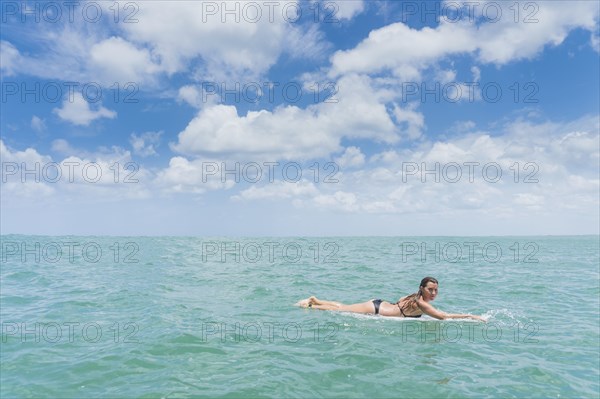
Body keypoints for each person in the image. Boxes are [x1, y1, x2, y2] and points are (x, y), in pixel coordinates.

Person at [296, 276, 486, 321]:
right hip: (376, 309)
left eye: (436, 290)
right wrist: (471, 316)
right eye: (431, 290)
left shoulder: (414, 296)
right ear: (423, 289)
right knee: (341, 310)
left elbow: (400, 300)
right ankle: (310, 306)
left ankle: (317, 300)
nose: (434, 293)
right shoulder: (421, 303)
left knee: (345, 306)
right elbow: (444, 316)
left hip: (379, 304)